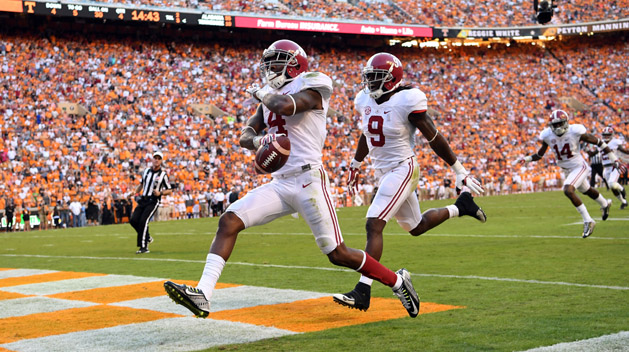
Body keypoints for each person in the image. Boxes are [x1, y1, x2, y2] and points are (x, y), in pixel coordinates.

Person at [164, 40, 419, 319]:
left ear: (294, 65)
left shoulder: (312, 85)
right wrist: (262, 139)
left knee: (338, 254)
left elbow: (286, 106)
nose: (270, 68)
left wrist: (262, 94)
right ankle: (203, 293)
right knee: (229, 220)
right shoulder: (268, 97)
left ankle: (397, 281)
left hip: (309, 179)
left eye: (277, 62)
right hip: (281, 182)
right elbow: (245, 135)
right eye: (270, 62)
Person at [332, 52, 486, 312]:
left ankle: (363, 290)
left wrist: (459, 169)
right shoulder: (364, 99)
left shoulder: (407, 100)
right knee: (415, 227)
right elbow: (367, 134)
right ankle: (462, 207)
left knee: (374, 223)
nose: (370, 83)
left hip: (403, 168)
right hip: (384, 170)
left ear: (392, 79)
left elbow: (433, 136)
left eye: (376, 77)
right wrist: (356, 164)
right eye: (368, 77)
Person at [513, 110, 617, 238]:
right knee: (587, 190)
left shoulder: (575, 131)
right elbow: (540, 154)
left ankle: (588, 220)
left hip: (579, 166)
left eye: (560, 124)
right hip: (567, 170)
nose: (557, 127)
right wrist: (526, 159)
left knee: (568, 190)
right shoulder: (547, 135)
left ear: (566, 122)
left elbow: (599, 142)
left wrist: (614, 159)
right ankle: (605, 204)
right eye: (554, 125)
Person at [130, 151, 173, 254]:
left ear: (161, 161)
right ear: (152, 159)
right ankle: (147, 237)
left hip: (153, 201)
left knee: (143, 221)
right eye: (155, 158)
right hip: (143, 199)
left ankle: (144, 247)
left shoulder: (163, 175)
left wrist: (160, 193)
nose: (157, 160)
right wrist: (134, 192)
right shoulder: (146, 171)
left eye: (159, 158)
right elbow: (141, 184)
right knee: (133, 220)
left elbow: (169, 190)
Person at [599, 126, 628, 209]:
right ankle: (624, 202)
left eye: (608, 135)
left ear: (611, 135)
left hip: (614, 166)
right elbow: (593, 153)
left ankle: (622, 189)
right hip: (606, 168)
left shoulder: (615, 142)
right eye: (605, 135)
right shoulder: (600, 143)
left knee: (612, 184)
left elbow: (624, 150)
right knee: (613, 188)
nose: (606, 137)